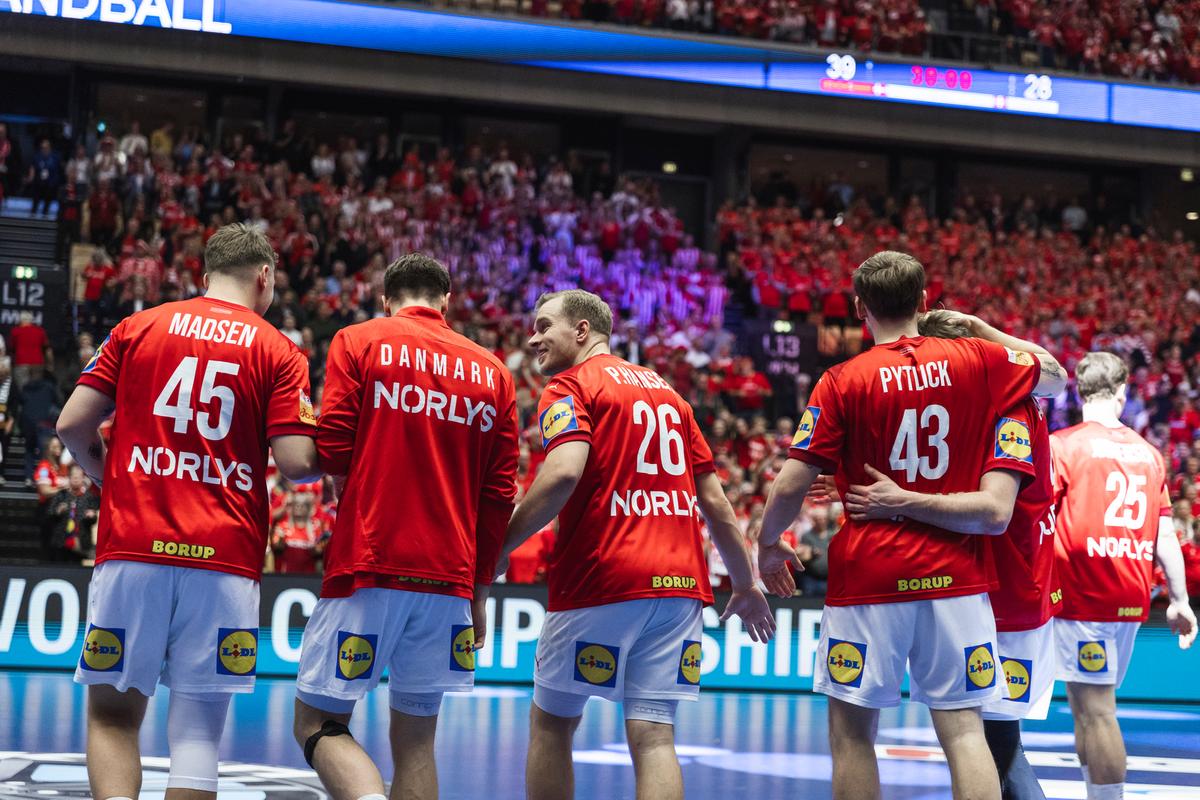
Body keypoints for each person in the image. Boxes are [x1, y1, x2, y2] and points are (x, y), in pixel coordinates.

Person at [756, 251, 1067, 800]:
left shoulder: (842, 379)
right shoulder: (979, 360)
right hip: (958, 577)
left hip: (868, 577)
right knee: (967, 732)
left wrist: (767, 544)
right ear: (924, 302)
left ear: (859, 309)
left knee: (852, 735)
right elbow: (1055, 375)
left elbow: (790, 482)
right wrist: (981, 329)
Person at [55, 222, 320, 800]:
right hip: (224, 560)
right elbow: (298, 464)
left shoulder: (138, 327)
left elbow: (71, 424)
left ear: (204, 278)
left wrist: (109, 476)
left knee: (113, 719)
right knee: (198, 735)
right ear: (265, 278)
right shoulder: (279, 350)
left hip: (134, 545)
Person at [500, 289, 785, 800]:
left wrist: (498, 547)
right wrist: (744, 585)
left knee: (552, 724)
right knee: (654, 738)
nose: (533, 337)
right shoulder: (669, 394)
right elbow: (717, 505)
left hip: (603, 576)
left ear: (582, 330)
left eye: (545, 326)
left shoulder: (570, 384)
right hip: (680, 587)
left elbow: (563, 473)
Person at [293, 253, 519, 800]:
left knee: (318, 724)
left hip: (370, 562)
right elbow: (498, 497)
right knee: (417, 741)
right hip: (450, 581)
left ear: (386, 299)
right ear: (446, 301)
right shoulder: (494, 371)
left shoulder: (360, 339)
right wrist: (480, 591)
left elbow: (333, 447)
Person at [844, 309, 1062, 800]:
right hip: (1011, 582)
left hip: (1008, 589)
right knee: (995, 742)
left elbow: (992, 511)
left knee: (999, 747)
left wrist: (897, 499)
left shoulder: (1010, 407)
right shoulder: (991, 400)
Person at [1050, 352, 1197, 800]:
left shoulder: (1063, 445)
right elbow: (1165, 535)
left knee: (1096, 711)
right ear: (1122, 393)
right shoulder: (1150, 454)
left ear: (1077, 391)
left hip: (1082, 596)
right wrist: (1179, 599)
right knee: (1085, 707)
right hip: (1129, 598)